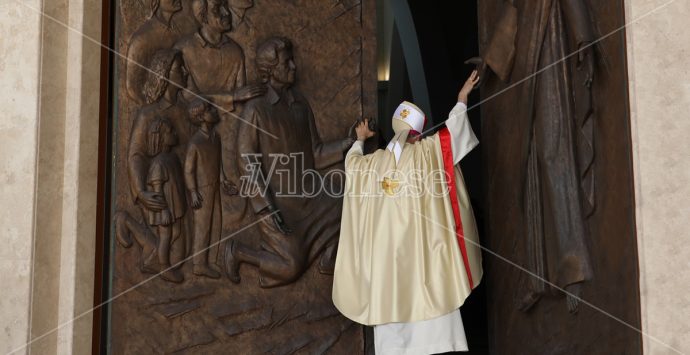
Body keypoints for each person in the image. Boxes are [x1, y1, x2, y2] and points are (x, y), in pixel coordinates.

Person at [333, 72, 482, 354]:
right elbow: (453, 134)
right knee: (435, 306)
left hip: (386, 265)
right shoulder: (428, 153)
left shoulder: (373, 164)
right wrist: (462, 98)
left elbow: (351, 166)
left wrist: (359, 140)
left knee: (392, 325)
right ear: (418, 133)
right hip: (423, 258)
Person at [225, 37, 355, 287]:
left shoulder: (300, 105)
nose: (294, 66)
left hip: (309, 196)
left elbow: (315, 153)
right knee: (290, 267)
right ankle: (239, 252)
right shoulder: (256, 110)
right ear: (270, 69)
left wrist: (346, 144)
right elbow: (247, 163)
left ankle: (328, 260)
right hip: (277, 203)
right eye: (287, 62)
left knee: (350, 202)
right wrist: (266, 207)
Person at [185, 99, 237, 278]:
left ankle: (212, 260)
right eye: (209, 109)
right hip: (202, 191)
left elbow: (218, 164)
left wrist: (223, 181)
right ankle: (199, 263)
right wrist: (193, 191)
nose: (214, 111)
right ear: (200, 117)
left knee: (216, 223)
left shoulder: (216, 138)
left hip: (215, 188)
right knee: (203, 227)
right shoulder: (195, 143)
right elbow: (189, 170)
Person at [145, 117, 187, 283]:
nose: (175, 133)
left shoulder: (173, 158)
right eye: (171, 132)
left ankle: (153, 260)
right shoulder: (158, 163)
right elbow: (157, 189)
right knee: (165, 236)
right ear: (161, 138)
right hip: (165, 206)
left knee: (174, 233)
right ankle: (164, 267)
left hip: (173, 204)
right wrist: (164, 210)